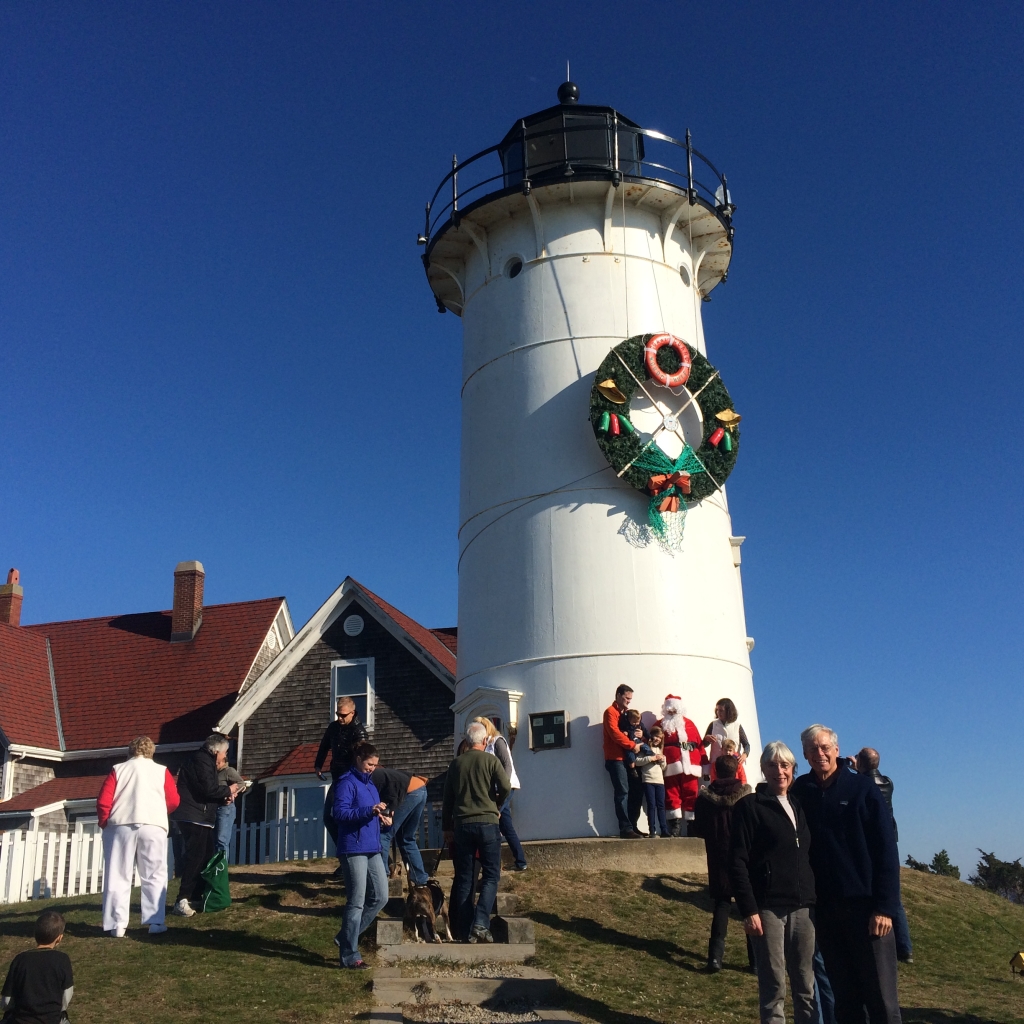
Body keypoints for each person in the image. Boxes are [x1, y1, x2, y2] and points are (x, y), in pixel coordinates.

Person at [791, 726, 902, 1024]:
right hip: (826, 910)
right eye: (813, 749)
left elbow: (886, 850)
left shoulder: (863, 789)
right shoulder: (801, 791)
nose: (820, 753)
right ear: (805, 754)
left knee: (881, 999)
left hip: (867, 909)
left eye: (825, 747)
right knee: (845, 998)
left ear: (837, 750)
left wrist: (885, 908)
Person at [731, 741, 816, 1023]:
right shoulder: (749, 807)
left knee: (806, 985)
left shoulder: (799, 805)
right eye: (772, 765)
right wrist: (748, 909)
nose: (779, 771)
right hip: (767, 908)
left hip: (803, 906)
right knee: (774, 985)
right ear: (763, 769)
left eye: (785, 765)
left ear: (793, 769)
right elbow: (737, 861)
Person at [97, 736, 180, 936]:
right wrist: (160, 811)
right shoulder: (162, 771)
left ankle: (117, 925)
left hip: (121, 824)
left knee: (118, 874)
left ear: (131, 751)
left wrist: (105, 822)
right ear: (152, 751)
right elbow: (174, 800)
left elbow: (103, 800)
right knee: (154, 873)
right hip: (153, 824)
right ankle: (155, 922)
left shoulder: (119, 769)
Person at [442, 721, 511, 943]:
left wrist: (446, 826)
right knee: (491, 875)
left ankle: (463, 929)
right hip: (487, 822)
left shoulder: (456, 764)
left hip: (462, 824)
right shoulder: (490, 761)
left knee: (464, 877)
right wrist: (496, 805)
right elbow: (506, 786)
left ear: (467, 740)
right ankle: (481, 923)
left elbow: (447, 799)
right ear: (484, 741)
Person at [692, 754, 753, 972]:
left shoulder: (704, 799)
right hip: (745, 857)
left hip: (717, 856)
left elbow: (698, 828)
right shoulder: (747, 797)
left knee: (722, 905)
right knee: (749, 907)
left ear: (715, 771)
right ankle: (755, 961)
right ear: (737, 771)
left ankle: (715, 958)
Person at [333, 740, 391, 969]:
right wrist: (370, 810)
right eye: (369, 764)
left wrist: (383, 819)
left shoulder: (371, 785)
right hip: (353, 848)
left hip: (372, 847)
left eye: (375, 765)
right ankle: (349, 954)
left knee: (381, 896)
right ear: (358, 759)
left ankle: (345, 937)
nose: (372, 768)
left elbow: (371, 813)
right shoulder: (346, 783)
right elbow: (340, 813)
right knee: (356, 901)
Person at [170, 733, 239, 917]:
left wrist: (222, 799)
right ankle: (182, 899)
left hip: (199, 816)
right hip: (193, 816)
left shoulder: (202, 761)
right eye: (224, 752)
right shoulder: (202, 760)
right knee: (196, 857)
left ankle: (196, 895)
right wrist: (228, 790)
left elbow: (205, 793)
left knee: (206, 855)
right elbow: (208, 788)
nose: (225, 756)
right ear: (216, 751)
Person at [856, 747, 912, 964]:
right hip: (891, 839)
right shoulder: (888, 782)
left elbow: (861, 785)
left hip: (873, 841)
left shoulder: (864, 784)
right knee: (894, 897)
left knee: (888, 896)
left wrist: (857, 771)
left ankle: (897, 945)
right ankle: (905, 948)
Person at [315, 697, 369, 860]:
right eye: (338, 714)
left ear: (352, 713)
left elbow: (361, 759)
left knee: (350, 818)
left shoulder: (359, 732)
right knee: (328, 816)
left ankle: (354, 855)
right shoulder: (333, 728)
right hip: (337, 778)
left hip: (352, 780)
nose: (340, 718)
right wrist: (318, 765)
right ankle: (344, 854)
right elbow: (324, 746)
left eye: (343, 715)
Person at [473, 717, 528, 872]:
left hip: (505, 787)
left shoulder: (497, 741)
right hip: (495, 789)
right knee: (506, 826)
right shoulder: (486, 744)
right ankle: (520, 861)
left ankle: (491, 863)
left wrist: (501, 787)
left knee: (492, 819)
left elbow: (507, 765)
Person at [1, 911, 73, 1024]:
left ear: (35, 934)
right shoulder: (62, 960)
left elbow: (7, 1001)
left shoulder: (20, 960)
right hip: (52, 1020)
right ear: (59, 938)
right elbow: (66, 997)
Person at [371, 763, 431, 886]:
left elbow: (393, 793)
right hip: (420, 789)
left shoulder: (371, 777)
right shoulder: (378, 773)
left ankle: (381, 878)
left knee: (383, 834)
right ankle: (421, 880)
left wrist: (390, 812)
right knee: (406, 838)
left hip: (409, 793)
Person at [657, 695, 704, 836]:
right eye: (669, 710)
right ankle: (675, 826)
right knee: (672, 794)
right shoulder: (659, 725)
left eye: (674, 709)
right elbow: (651, 741)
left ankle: (692, 825)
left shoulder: (690, 724)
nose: (671, 712)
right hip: (671, 764)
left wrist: (705, 764)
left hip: (691, 764)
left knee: (692, 794)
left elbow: (699, 744)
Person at [602, 685, 643, 839]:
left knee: (636, 791)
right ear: (618, 696)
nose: (628, 702)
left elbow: (635, 731)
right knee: (623, 792)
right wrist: (632, 745)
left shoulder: (626, 714)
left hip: (627, 758)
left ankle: (632, 825)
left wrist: (641, 734)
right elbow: (614, 733)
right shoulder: (610, 712)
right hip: (615, 759)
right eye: (626, 698)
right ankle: (626, 828)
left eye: (630, 699)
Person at [702, 697, 751, 783]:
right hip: (716, 767)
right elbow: (703, 745)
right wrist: (707, 739)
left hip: (733, 766)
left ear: (728, 711)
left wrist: (744, 755)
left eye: (721, 710)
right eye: (717, 710)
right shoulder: (713, 725)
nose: (718, 712)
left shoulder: (737, 726)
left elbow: (746, 744)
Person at [635, 725, 669, 838]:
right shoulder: (645, 748)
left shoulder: (660, 750)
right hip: (648, 780)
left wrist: (663, 760)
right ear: (651, 736)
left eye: (660, 738)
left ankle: (664, 830)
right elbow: (637, 761)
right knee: (651, 805)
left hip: (659, 781)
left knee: (661, 805)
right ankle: (652, 830)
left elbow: (663, 768)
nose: (657, 739)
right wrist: (651, 758)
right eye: (656, 736)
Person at [215, 762, 245, 858]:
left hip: (225, 808)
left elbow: (241, 783)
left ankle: (222, 866)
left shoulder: (228, 771)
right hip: (215, 808)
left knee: (221, 839)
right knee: (215, 840)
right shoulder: (214, 773)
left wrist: (232, 793)